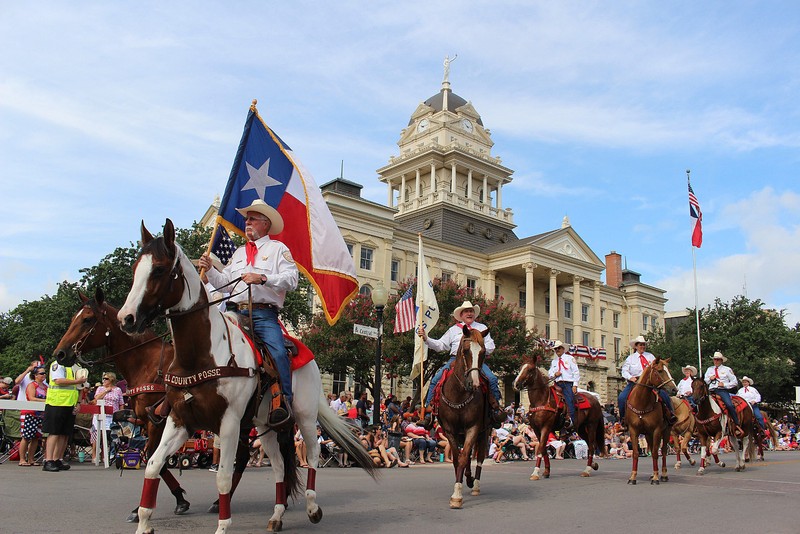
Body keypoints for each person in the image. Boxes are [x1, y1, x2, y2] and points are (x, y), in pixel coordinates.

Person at [200, 199, 299, 426]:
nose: (247, 223)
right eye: (247, 219)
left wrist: (263, 277)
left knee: (278, 352)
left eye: (252, 219)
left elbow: (292, 280)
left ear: (265, 224)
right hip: (234, 313)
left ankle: (283, 403)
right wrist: (211, 269)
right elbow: (226, 284)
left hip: (263, 314)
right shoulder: (239, 252)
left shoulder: (278, 250)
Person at [418, 300, 503, 424]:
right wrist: (426, 338)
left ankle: (496, 409)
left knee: (492, 378)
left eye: (471, 311)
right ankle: (429, 412)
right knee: (436, 379)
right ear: (461, 315)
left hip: (475, 360)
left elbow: (491, 346)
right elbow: (441, 345)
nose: (469, 313)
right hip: (455, 360)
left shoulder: (482, 328)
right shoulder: (453, 330)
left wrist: (480, 350)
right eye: (466, 311)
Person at [617, 335, 677, 428]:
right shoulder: (630, 358)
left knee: (664, 395)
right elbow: (624, 371)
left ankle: (671, 414)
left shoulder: (650, 356)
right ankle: (623, 419)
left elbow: (657, 368)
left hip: (649, 383)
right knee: (622, 397)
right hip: (635, 382)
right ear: (636, 346)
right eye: (640, 345)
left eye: (644, 345)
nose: (642, 347)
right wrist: (630, 377)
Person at [42, 359, 86, 472]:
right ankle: (48, 460)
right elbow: (58, 381)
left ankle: (58, 459)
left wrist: (79, 403)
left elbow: (81, 386)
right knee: (54, 432)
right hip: (56, 403)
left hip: (70, 403)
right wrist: (77, 381)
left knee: (65, 434)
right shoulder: (58, 364)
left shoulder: (77, 365)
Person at [705, 351, 743, 437]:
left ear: (721, 360)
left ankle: (736, 424)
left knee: (729, 405)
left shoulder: (727, 369)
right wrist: (710, 378)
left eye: (718, 360)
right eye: (715, 359)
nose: (716, 361)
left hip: (722, 390)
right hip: (711, 390)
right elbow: (705, 380)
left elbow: (734, 382)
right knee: (700, 404)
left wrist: (724, 385)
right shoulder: (709, 369)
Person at [91, 372, 125, 462]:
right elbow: (96, 399)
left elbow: (121, 403)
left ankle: (104, 455)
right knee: (97, 434)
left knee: (108, 435)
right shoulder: (100, 388)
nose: (104, 380)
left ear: (111, 380)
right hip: (100, 414)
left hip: (112, 415)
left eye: (106, 379)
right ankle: (94, 455)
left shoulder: (118, 390)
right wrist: (106, 391)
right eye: (103, 378)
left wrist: (120, 416)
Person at [18, 366, 47, 466]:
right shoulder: (32, 385)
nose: (44, 375)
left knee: (36, 437)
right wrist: (45, 401)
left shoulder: (46, 387)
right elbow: (31, 398)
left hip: (40, 414)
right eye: (41, 373)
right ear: (35, 375)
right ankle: (22, 459)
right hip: (29, 413)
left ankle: (31, 459)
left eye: (44, 373)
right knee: (26, 437)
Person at [547, 340, 580, 431]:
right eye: (555, 349)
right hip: (557, 384)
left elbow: (576, 372)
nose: (557, 350)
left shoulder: (570, 358)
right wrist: (554, 375)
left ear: (563, 349)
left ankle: (573, 422)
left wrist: (575, 385)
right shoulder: (554, 361)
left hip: (567, 384)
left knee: (570, 401)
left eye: (558, 348)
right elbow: (550, 373)